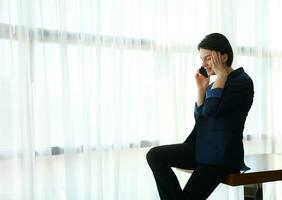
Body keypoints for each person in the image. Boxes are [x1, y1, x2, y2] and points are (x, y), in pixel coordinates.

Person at [146, 33, 254, 200]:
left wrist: (222, 77)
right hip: (201, 149)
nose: (203, 64)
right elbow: (201, 118)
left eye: (208, 58)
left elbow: (211, 111)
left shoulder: (242, 82)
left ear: (224, 56)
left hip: (220, 156)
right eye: (201, 59)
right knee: (155, 155)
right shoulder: (215, 83)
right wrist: (201, 90)